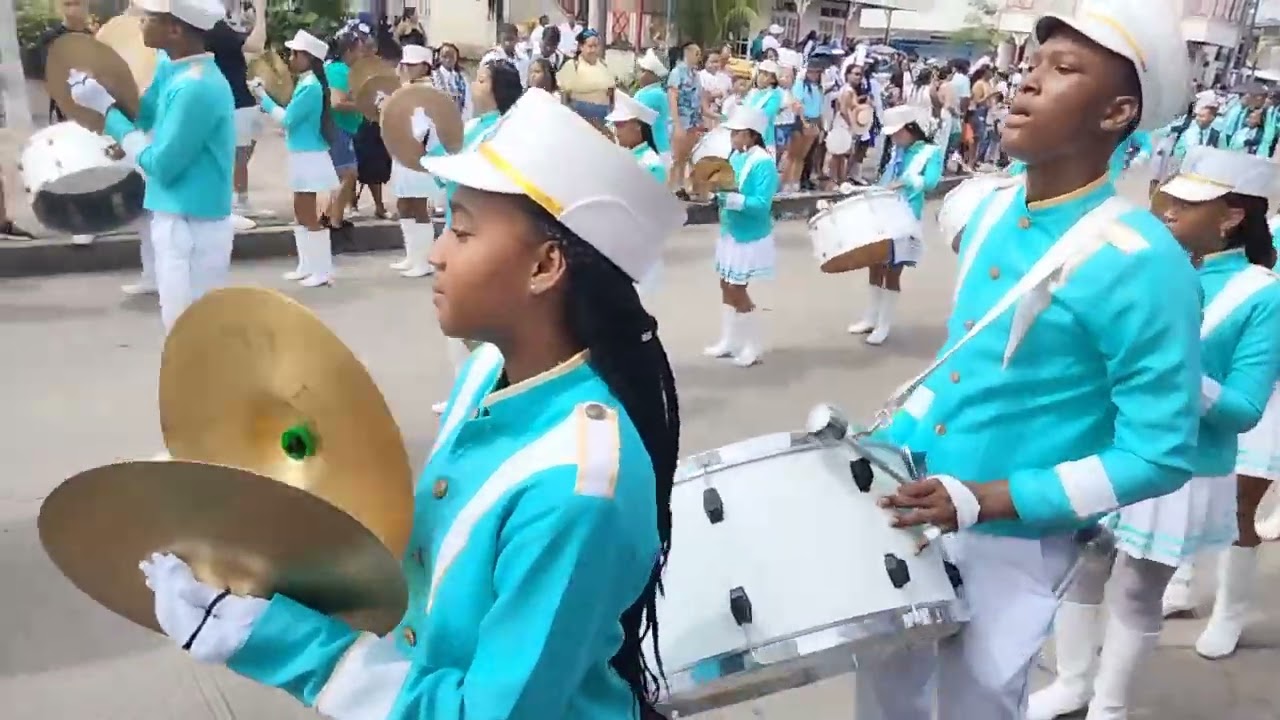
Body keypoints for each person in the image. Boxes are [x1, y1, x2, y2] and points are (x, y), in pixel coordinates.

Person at [137, 86, 686, 720]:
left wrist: (287, 645)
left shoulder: (578, 489)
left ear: (544, 267)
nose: (437, 253)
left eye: (462, 231)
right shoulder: (486, 372)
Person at [852, 3, 1200, 719]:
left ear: (1117, 113)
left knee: (974, 705)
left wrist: (988, 498)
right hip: (913, 503)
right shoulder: (991, 209)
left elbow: (1159, 453)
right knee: (886, 700)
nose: (1027, 82)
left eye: (1064, 70)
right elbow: (966, 369)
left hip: (1013, 541)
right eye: (1032, 64)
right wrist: (882, 442)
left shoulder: (1143, 260)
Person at [1030, 146, 1280, 720]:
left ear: (1231, 217)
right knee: (1080, 567)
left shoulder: (1261, 294)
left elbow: (1243, 409)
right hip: (1107, 443)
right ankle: (1072, 683)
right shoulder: (1146, 265)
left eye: (1185, 205)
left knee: (1138, 589)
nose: (1166, 211)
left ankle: (1110, 706)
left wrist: (1173, 370)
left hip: (1182, 463)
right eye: (1167, 200)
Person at [70, 0, 235, 333]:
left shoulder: (195, 87)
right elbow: (143, 114)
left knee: (189, 332)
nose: (140, 23)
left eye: (149, 18)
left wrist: (106, 110)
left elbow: (161, 165)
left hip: (193, 225)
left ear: (174, 30)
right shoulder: (173, 69)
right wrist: (107, 95)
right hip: (179, 218)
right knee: (182, 330)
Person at [429, 59, 524, 415]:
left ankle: (492, 392)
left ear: (498, 89)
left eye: (482, 80)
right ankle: (463, 390)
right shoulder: (471, 128)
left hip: (481, 230)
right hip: (455, 226)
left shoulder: (505, 131)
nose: (475, 85)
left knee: (477, 317)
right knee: (452, 313)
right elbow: (443, 174)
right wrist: (430, 142)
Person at [250, 30, 340, 288]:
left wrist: (263, 97)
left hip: (309, 156)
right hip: (302, 154)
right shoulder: (306, 83)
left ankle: (322, 270)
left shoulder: (310, 87)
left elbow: (288, 119)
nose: (290, 58)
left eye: (295, 54)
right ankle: (306, 265)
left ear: (308, 58)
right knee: (300, 212)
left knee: (309, 214)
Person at [847, 104, 941, 346]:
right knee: (874, 264)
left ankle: (884, 324)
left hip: (906, 217)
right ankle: (870, 317)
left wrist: (906, 181)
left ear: (911, 128)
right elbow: (886, 180)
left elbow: (931, 182)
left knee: (892, 270)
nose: (894, 138)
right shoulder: (896, 151)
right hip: (884, 211)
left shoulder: (930, 152)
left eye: (897, 133)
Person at [702, 106, 779, 369]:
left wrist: (729, 199)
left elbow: (762, 204)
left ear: (750, 135)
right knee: (725, 284)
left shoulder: (763, 163)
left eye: (736, 133)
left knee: (737, 288)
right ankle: (728, 340)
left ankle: (753, 345)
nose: (732, 137)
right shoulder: (735, 156)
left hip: (750, 236)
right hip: (730, 231)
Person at [37, 0, 97, 246]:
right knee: (72, 166)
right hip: (67, 109)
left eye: (78, 3)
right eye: (68, 3)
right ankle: (80, 222)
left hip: (97, 108)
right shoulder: (51, 38)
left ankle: (94, 216)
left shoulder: (95, 36)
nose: (73, 9)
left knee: (94, 164)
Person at [382, 44, 442, 279]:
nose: (406, 68)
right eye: (405, 64)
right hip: (403, 152)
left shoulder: (428, 92)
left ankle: (424, 261)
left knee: (418, 206)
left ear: (425, 67)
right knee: (404, 204)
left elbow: (422, 128)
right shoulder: (407, 89)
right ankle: (412, 255)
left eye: (412, 65)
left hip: (419, 155)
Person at [204, 0, 266, 218]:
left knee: (245, 149)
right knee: (240, 151)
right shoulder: (217, 27)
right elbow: (257, 44)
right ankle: (238, 200)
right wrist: (261, 10)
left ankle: (236, 196)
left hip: (240, 95)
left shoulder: (222, 26)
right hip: (234, 98)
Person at [607, 90, 667, 298]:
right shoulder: (623, 156)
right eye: (616, 126)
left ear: (637, 126)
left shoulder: (651, 164)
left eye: (621, 125)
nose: (617, 131)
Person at [321, 25, 370, 231]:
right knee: (348, 174)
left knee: (345, 175)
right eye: (359, 50)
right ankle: (334, 220)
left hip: (343, 128)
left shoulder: (339, 69)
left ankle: (331, 215)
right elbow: (337, 102)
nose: (362, 54)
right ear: (349, 51)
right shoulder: (339, 70)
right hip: (339, 128)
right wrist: (365, 106)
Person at [558, 29, 615, 131]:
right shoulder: (572, 66)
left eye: (596, 46)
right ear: (581, 47)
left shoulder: (604, 65)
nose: (593, 50)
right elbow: (564, 98)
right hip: (579, 122)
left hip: (602, 121)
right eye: (590, 46)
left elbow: (611, 94)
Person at [666, 42, 704, 195]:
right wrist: (676, 123)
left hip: (693, 119)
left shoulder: (696, 75)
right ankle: (670, 187)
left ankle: (681, 186)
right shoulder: (677, 73)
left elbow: (700, 98)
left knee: (685, 157)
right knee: (676, 157)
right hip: (681, 118)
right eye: (696, 53)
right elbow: (672, 98)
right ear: (687, 53)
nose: (699, 57)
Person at [783, 58, 824, 193]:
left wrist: (820, 126)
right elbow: (797, 104)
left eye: (817, 72)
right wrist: (804, 122)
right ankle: (786, 182)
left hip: (814, 121)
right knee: (793, 154)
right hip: (801, 121)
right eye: (811, 72)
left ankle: (795, 182)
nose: (814, 75)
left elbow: (820, 109)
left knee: (802, 156)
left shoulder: (818, 87)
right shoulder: (800, 85)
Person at [633, 49, 671, 164]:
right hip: (653, 148)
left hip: (657, 149)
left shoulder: (655, 94)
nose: (639, 74)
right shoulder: (646, 91)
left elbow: (633, 114)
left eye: (643, 71)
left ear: (654, 75)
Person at [432, 43, 472, 121]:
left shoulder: (463, 78)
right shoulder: (433, 77)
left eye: (451, 56)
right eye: (445, 56)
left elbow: (468, 103)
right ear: (439, 57)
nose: (448, 59)